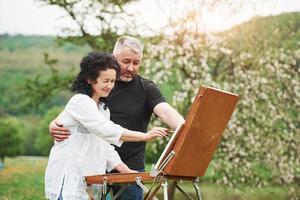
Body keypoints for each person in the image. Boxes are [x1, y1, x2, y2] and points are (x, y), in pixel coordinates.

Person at [49, 36, 185, 200]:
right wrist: (146, 136)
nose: (131, 67)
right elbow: (104, 129)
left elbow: (165, 111)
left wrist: (185, 128)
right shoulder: (86, 98)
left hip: (122, 163)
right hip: (83, 172)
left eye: (136, 63)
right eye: (126, 61)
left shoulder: (104, 106)